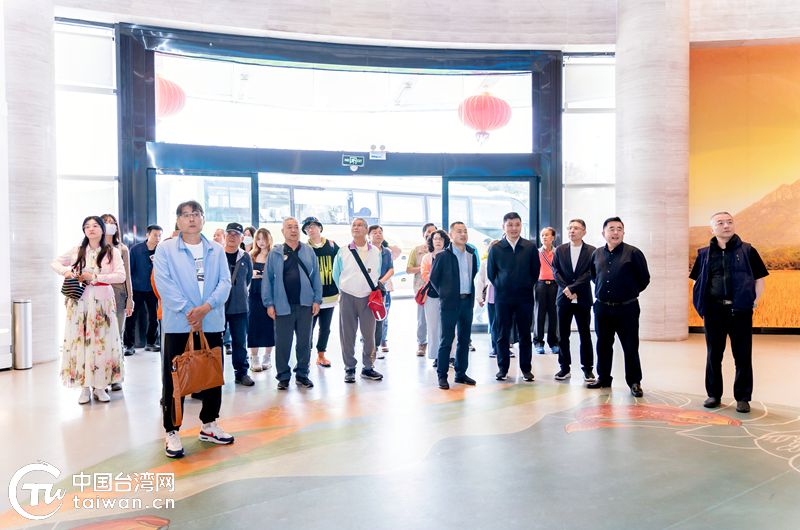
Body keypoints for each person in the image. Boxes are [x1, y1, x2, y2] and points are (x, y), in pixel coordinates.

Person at [154, 200, 234, 458]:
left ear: (203, 219)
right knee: (174, 377)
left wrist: (205, 308)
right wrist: (190, 311)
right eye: (186, 215)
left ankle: (209, 424)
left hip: (210, 320)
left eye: (196, 214)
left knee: (212, 373)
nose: (191, 219)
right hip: (179, 323)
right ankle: (172, 430)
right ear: (178, 220)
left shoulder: (216, 250)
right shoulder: (166, 249)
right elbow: (164, 284)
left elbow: (225, 282)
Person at [690, 211, 768, 414]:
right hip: (714, 311)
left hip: (740, 311)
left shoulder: (748, 250)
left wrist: (753, 302)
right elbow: (697, 281)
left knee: (742, 356)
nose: (726, 226)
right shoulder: (704, 253)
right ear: (712, 229)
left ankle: (742, 398)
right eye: (720, 223)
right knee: (713, 355)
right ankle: (713, 395)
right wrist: (702, 305)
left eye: (729, 222)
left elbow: (759, 279)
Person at [52, 216, 126, 404]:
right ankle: (84, 387)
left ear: (102, 229)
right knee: (81, 344)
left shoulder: (112, 251)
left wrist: (95, 277)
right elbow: (55, 262)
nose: (91, 229)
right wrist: (66, 272)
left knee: (101, 344)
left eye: (95, 226)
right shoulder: (77, 250)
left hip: (102, 304)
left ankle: (100, 387)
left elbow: (121, 276)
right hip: (80, 304)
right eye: (87, 226)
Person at [588, 217, 650, 397]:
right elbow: (594, 276)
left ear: (623, 232)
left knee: (630, 346)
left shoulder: (634, 253)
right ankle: (603, 378)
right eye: (611, 229)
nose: (615, 232)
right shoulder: (596, 254)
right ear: (603, 233)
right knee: (603, 345)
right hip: (602, 308)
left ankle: (634, 382)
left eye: (619, 229)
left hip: (627, 308)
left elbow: (644, 279)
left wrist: (628, 292)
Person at [262, 217, 322, 390]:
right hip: (282, 305)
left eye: (296, 227)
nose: (293, 230)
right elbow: (267, 280)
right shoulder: (275, 253)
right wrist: (269, 304)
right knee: (283, 343)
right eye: (289, 227)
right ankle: (283, 376)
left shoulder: (308, 251)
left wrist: (317, 300)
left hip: (305, 305)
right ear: (283, 231)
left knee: (304, 342)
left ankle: (302, 374)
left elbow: (316, 277)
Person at [487, 212, 539, 382]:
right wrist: (502, 285)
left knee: (525, 334)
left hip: (525, 298)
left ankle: (526, 369)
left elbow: (535, 272)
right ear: (503, 227)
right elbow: (491, 273)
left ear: (521, 226)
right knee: (502, 334)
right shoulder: (496, 248)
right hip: (503, 298)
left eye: (517, 224)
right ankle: (502, 369)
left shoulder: (530, 247)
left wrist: (525, 285)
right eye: (509, 225)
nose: (513, 228)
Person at [332, 217, 384, 383]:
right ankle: (349, 368)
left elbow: (377, 272)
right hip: (347, 296)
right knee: (347, 334)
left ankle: (368, 367)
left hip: (368, 297)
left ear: (366, 230)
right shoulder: (343, 251)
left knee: (369, 334)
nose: (356, 227)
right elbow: (336, 274)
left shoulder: (375, 251)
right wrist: (344, 290)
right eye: (354, 225)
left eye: (360, 225)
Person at [430, 222, 478, 389]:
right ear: (450, 235)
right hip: (450, 303)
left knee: (464, 340)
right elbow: (434, 279)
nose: (463, 234)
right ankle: (442, 375)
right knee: (446, 340)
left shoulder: (471, 254)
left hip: (467, 301)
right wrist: (446, 294)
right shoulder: (443, 256)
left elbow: (473, 275)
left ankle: (460, 374)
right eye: (459, 231)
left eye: (465, 231)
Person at [552, 219, 596, 382]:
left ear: (584, 231)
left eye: (576, 228)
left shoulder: (592, 251)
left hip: (582, 297)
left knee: (585, 334)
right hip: (563, 298)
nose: (572, 231)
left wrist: (574, 288)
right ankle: (564, 368)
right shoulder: (560, 250)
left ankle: (588, 369)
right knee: (563, 335)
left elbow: (590, 272)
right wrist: (567, 289)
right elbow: (556, 271)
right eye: (570, 228)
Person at [303, 216, 340, 368]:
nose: (311, 229)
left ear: (320, 227)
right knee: (308, 328)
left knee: (325, 327)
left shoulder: (331, 245)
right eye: (307, 228)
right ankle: (306, 356)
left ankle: (321, 355)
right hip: (312, 297)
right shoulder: (304, 248)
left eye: (313, 226)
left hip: (330, 295)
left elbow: (341, 265)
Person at [222, 222, 255, 386]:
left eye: (236, 234)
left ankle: (241, 373)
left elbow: (247, 279)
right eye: (229, 233)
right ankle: (215, 375)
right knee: (215, 342)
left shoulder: (245, 257)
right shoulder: (217, 255)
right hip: (218, 306)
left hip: (240, 306)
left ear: (242, 238)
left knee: (240, 342)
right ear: (225, 236)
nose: (232, 237)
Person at [124, 224, 162, 356]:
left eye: (159, 235)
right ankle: (129, 345)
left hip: (154, 289)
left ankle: (151, 343)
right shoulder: (136, 250)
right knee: (131, 318)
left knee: (154, 317)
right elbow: (129, 270)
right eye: (155, 235)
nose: (157, 238)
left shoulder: (161, 250)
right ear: (147, 235)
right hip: (137, 289)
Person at [101, 215, 134, 369]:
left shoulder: (122, 249)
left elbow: (127, 276)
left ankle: (117, 371)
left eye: (112, 222)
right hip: (99, 294)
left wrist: (130, 299)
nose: (109, 225)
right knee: (101, 333)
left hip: (119, 295)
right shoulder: (95, 248)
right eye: (106, 222)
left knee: (117, 334)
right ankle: (101, 370)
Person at [420, 229, 454, 368]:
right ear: (431, 241)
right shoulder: (427, 258)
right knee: (433, 327)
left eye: (441, 238)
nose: (438, 241)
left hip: (449, 296)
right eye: (435, 239)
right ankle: (436, 356)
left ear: (445, 241)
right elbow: (425, 275)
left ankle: (450, 356)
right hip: (432, 295)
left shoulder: (451, 256)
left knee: (450, 327)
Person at [407, 223, 437, 356]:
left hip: (438, 289)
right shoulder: (417, 250)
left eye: (433, 232)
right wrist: (424, 267)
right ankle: (422, 343)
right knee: (422, 319)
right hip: (422, 289)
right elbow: (409, 269)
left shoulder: (441, 249)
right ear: (423, 234)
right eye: (428, 232)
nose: (431, 234)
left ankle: (436, 344)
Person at [248, 227, 275, 372]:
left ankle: (267, 356)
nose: (261, 242)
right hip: (254, 294)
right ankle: (254, 357)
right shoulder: (251, 255)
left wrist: (266, 275)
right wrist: (252, 275)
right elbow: (245, 276)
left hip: (270, 294)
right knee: (253, 325)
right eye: (258, 239)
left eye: (264, 238)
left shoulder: (274, 255)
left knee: (269, 325)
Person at [369, 225, 394, 360]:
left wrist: (380, 282)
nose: (378, 234)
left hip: (380, 290)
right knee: (367, 319)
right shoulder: (366, 250)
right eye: (374, 233)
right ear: (369, 236)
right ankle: (368, 346)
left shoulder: (387, 252)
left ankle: (376, 347)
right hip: (366, 288)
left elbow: (391, 269)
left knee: (379, 318)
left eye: (380, 232)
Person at [533, 227, 559, 355]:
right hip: (540, 285)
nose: (544, 237)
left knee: (554, 315)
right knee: (539, 314)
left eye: (547, 235)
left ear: (553, 237)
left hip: (555, 285)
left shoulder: (557, 252)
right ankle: (538, 342)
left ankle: (554, 342)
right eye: (542, 235)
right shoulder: (537, 253)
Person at [475, 240, 500, 358]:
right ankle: (495, 348)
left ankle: (504, 347)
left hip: (506, 297)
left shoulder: (507, 261)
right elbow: (480, 281)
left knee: (504, 323)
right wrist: (479, 298)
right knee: (494, 323)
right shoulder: (485, 263)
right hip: (492, 296)